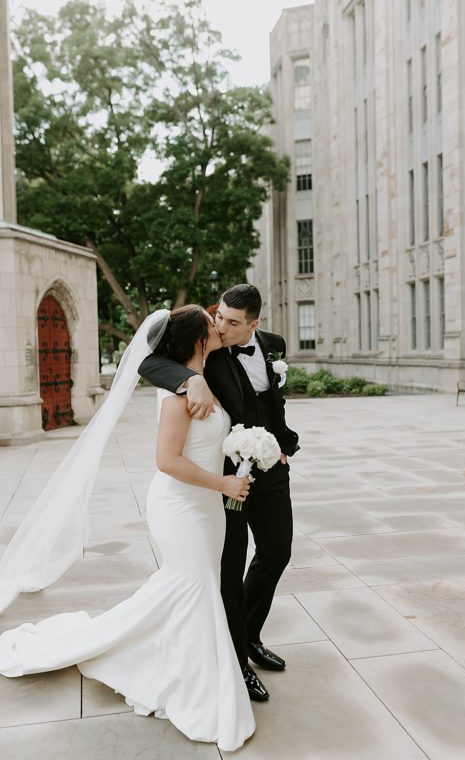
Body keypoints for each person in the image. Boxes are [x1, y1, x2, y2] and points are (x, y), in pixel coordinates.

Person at [0, 305, 256, 750]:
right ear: (198, 339)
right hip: (180, 507)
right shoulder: (177, 395)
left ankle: (173, 661)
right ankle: (194, 688)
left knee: (188, 588)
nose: (218, 322)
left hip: (207, 508)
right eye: (210, 320)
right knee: (193, 585)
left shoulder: (202, 377)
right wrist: (224, 484)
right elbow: (167, 461)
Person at [138, 284, 299, 702]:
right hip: (225, 477)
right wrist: (190, 378)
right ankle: (236, 658)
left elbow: (275, 402)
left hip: (270, 468)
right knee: (229, 566)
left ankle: (249, 635)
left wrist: (284, 445)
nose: (222, 327)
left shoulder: (274, 346)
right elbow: (151, 361)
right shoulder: (210, 350)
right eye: (218, 317)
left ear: (254, 324)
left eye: (232, 322)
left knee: (277, 551)